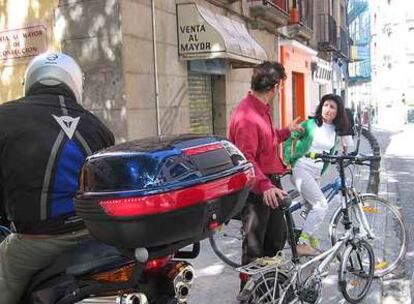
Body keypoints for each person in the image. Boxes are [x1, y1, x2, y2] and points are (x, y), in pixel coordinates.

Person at [0, 52, 115, 303]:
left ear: (30, 81)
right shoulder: (98, 127)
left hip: (34, 243)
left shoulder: (5, 117)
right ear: (75, 83)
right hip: (94, 236)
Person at [227, 61, 303, 299]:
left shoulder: (260, 108)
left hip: (269, 184)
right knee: (253, 249)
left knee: (276, 240)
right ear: (275, 86)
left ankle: (267, 291)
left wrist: (286, 131)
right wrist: (265, 185)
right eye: (280, 86)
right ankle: (248, 296)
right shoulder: (247, 116)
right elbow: (246, 159)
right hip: (256, 189)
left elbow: (266, 143)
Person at [284, 94, 348, 256]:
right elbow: (290, 138)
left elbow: (331, 152)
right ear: (321, 107)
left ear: (338, 112)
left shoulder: (335, 131)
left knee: (311, 209)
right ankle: (302, 244)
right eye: (326, 105)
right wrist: (287, 160)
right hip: (301, 169)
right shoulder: (310, 124)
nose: (328, 109)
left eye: (332, 107)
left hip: (315, 174)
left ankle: (311, 244)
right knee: (321, 205)